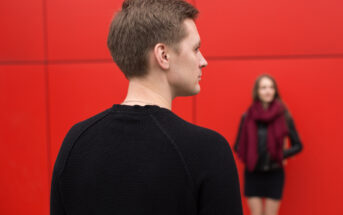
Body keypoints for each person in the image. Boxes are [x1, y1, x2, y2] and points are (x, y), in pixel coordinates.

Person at [50, 0, 243, 214]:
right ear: (163, 55)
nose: (203, 60)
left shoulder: (76, 142)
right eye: (196, 48)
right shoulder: (208, 151)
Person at [234, 74, 303, 215]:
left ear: (275, 91)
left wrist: (280, 155)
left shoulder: (284, 116)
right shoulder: (247, 117)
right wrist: (250, 157)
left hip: (275, 173)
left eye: (271, 87)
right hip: (253, 173)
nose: (268, 91)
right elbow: (237, 146)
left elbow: (298, 145)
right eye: (263, 87)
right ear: (257, 91)